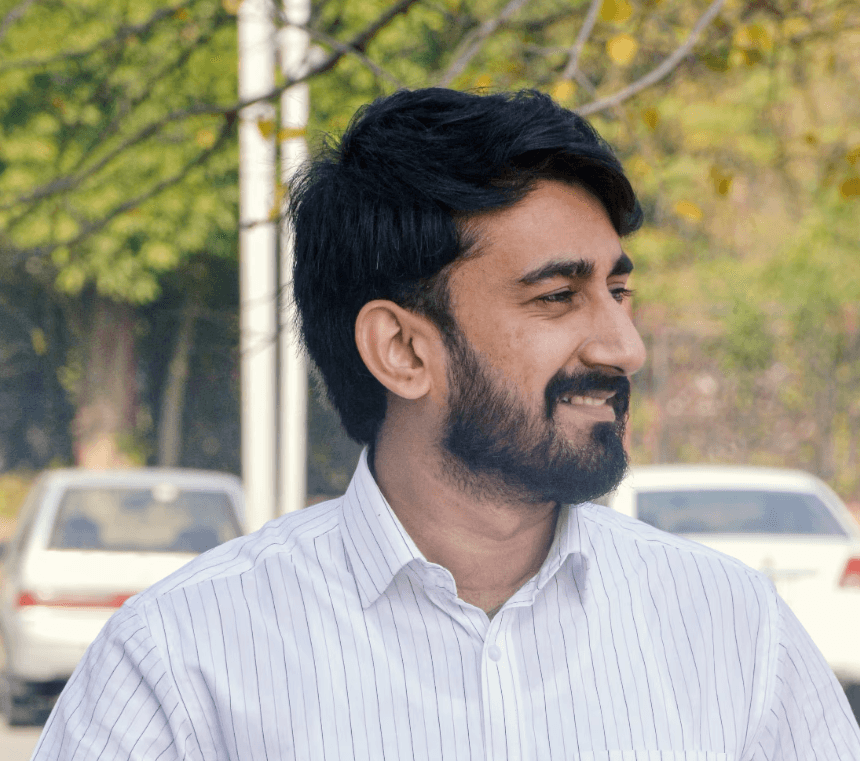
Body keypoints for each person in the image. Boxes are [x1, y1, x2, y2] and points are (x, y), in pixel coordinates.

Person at [32, 88, 860, 760]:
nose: (625, 346)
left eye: (618, 290)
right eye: (557, 296)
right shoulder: (181, 662)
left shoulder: (734, 632)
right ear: (400, 350)